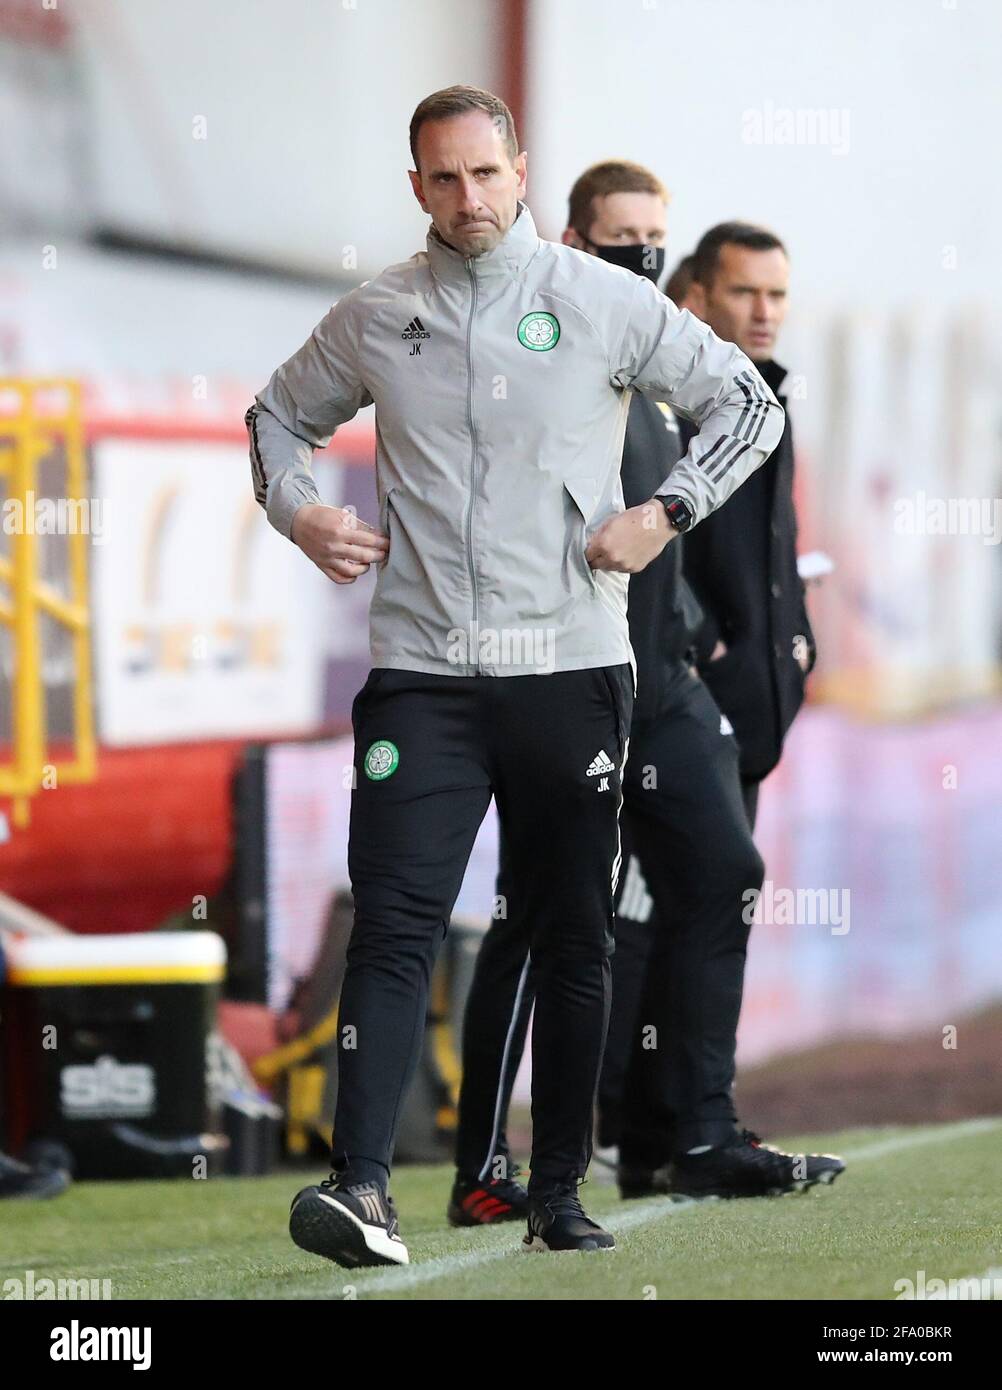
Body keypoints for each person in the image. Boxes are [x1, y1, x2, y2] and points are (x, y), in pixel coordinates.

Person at [247, 86, 783, 1266]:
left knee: (573, 932)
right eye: (443, 179)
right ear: (416, 187)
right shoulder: (379, 313)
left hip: (571, 673)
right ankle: (362, 1189)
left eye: (486, 174)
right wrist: (298, 515)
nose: (468, 198)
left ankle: (554, 1193)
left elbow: (746, 405)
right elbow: (276, 418)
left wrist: (665, 512)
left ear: (522, 170)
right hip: (422, 680)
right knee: (392, 925)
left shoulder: (601, 301)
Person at [448, 164, 844, 1224]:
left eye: (654, 236)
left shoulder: (673, 382)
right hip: (559, 672)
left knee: (720, 870)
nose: (642, 255)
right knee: (550, 918)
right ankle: (498, 1160)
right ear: (574, 240)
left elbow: (704, 538)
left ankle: (696, 1132)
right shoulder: (545, 349)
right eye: (624, 236)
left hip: (663, 686)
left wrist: (723, 654)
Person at [681, 222, 816, 827]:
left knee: (724, 904)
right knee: (667, 911)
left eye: (778, 295)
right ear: (701, 297)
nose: (765, 312)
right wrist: (701, 644)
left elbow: (774, 544)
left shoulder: (774, 403)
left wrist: (800, 639)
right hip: (683, 718)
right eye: (744, 292)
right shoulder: (672, 408)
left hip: (751, 720)